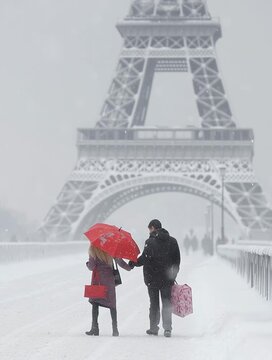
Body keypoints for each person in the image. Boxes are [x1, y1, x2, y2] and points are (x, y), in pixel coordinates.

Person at [129, 219, 180, 338]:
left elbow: (144, 259)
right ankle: (167, 329)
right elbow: (177, 261)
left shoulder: (150, 242)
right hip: (167, 279)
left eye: (149, 229)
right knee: (167, 303)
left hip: (152, 278)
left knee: (154, 304)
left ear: (152, 228)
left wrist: (132, 263)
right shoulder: (172, 241)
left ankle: (153, 328)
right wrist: (173, 276)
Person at [85, 245, 131, 337]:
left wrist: (87, 263)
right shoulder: (112, 248)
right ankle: (115, 330)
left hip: (98, 280)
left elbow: (91, 267)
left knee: (95, 303)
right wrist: (130, 267)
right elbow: (121, 263)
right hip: (109, 280)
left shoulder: (94, 249)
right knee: (112, 304)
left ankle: (95, 328)